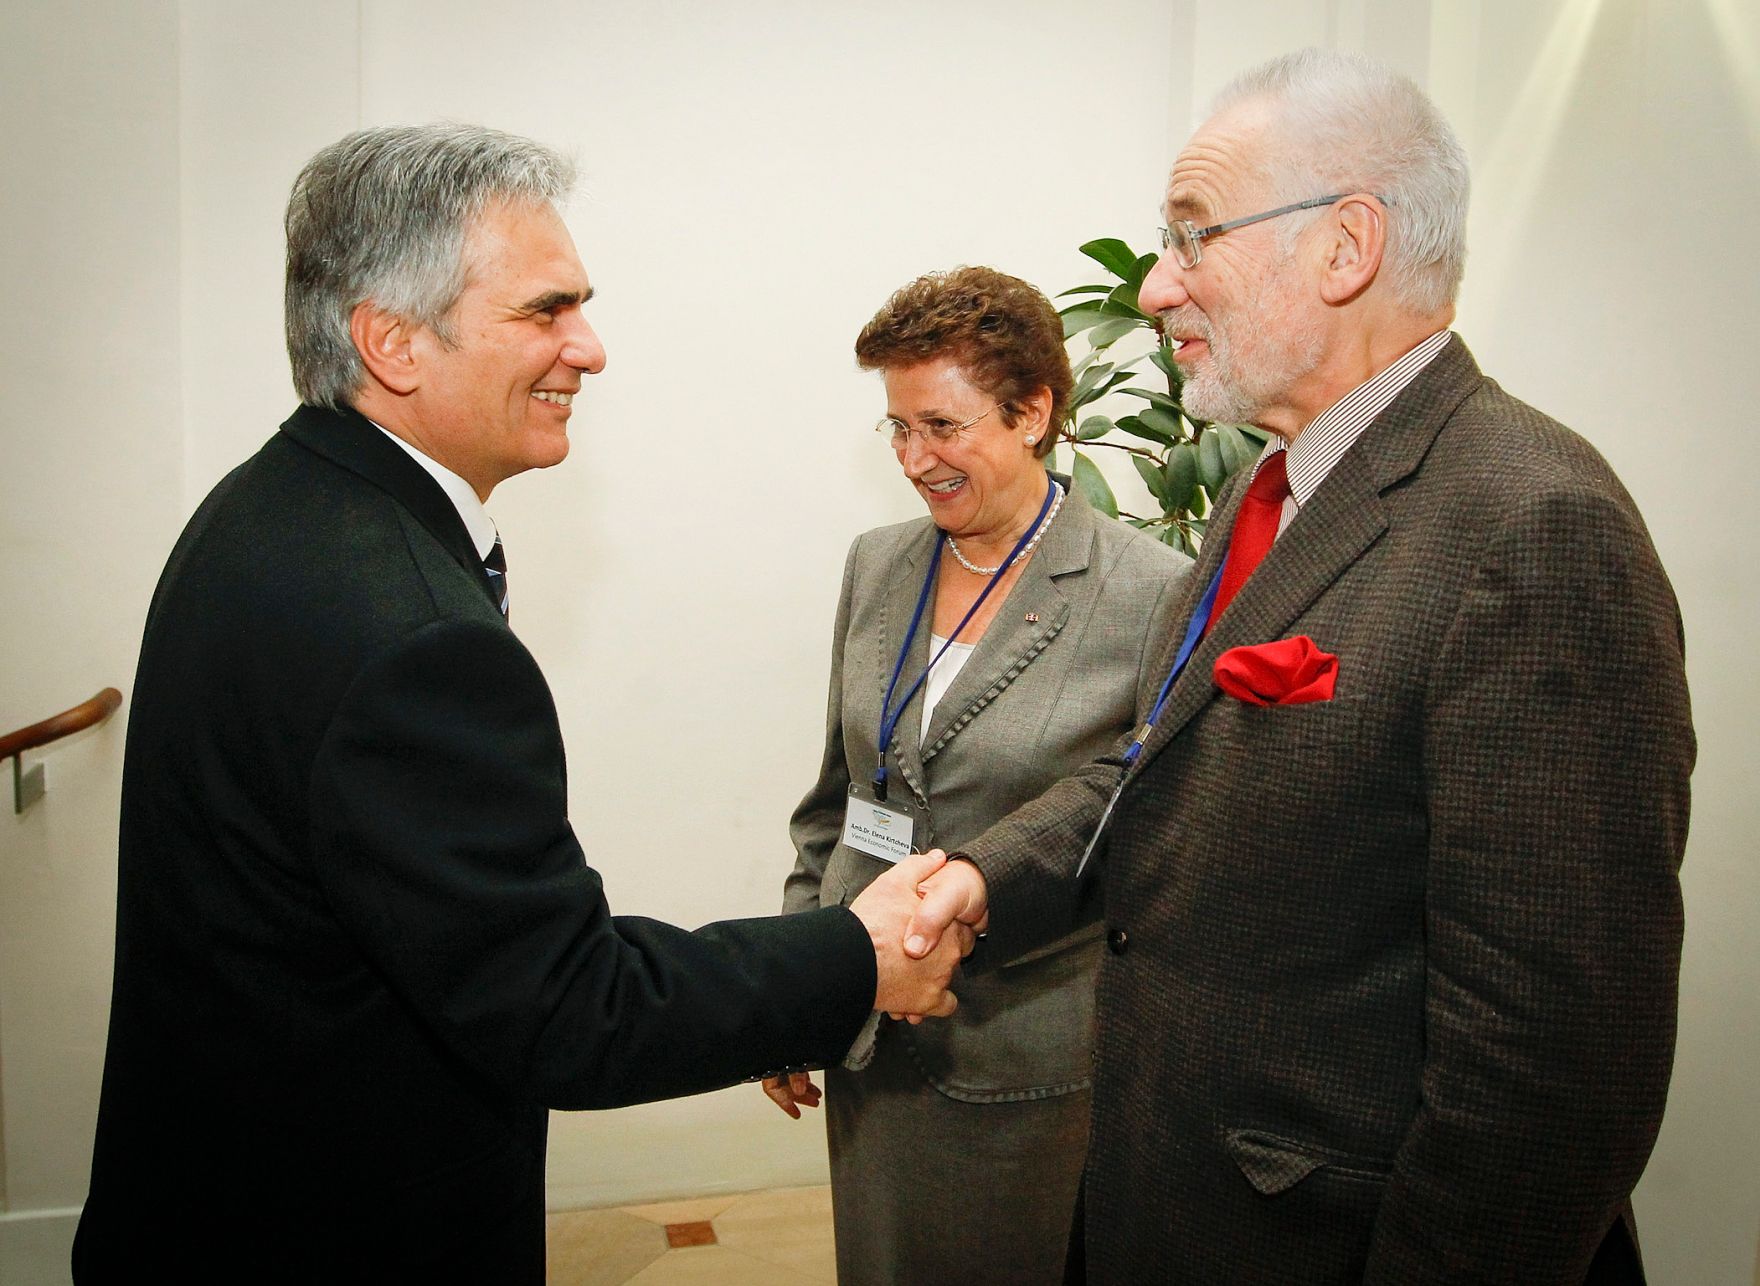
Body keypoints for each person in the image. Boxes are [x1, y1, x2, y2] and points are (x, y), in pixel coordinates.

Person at [71, 123, 971, 1284]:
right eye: (545, 310)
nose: (588, 348)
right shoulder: (407, 626)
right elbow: (563, 1004)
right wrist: (853, 956)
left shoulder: (269, 506)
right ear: (391, 342)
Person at [906, 49, 1694, 1285]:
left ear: (1345, 247)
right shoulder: (1273, 489)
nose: (1158, 286)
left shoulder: (1533, 527)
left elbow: (1549, 1074)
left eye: (1190, 237)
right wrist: (984, 880)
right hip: (1168, 1198)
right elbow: (1163, 757)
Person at [760, 266, 1190, 1284]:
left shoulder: (1148, 593)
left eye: (940, 425)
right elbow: (838, 801)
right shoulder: (879, 562)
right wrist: (791, 978)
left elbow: (1137, 833)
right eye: (896, 428)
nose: (915, 458)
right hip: (867, 1041)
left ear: (1032, 410)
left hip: (1017, 1064)